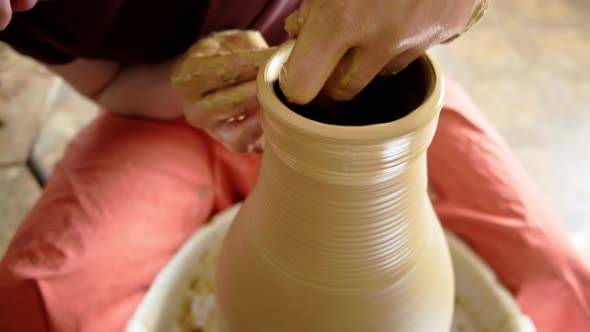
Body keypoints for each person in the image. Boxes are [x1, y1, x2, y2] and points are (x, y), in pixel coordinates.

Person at [0, 0, 588, 331]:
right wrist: (183, 86)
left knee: (560, 284)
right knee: (43, 301)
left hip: (380, 93)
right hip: (188, 112)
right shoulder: (23, 13)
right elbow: (114, 81)